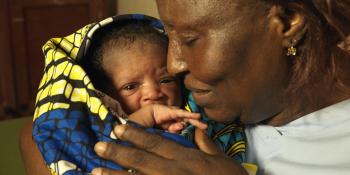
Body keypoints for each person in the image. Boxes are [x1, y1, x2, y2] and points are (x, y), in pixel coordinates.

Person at [89, 1, 350, 175]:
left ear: (287, 22)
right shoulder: (182, 106)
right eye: (168, 36)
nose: (173, 64)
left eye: (190, 39)